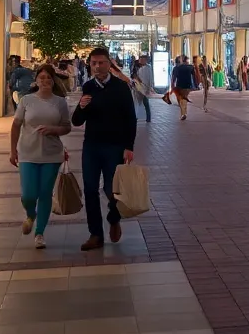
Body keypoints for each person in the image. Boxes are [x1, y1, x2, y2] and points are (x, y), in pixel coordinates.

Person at [72, 47, 137, 251]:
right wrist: (81, 106)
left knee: (112, 190)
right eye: (93, 63)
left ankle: (114, 217)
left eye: (101, 62)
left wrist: (129, 147)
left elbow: (130, 119)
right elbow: (76, 121)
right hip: (91, 146)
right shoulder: (89, 87)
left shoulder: (121, 87)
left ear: (110, 64)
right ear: (89, 65)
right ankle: (95, 234)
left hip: (115, 147)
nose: (97, 66)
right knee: (90, 189)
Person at [9, 65, 72, 249]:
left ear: (54, 81)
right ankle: (31, 214)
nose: (45, 81)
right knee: (28, 194)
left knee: (45, 193)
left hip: (51, 154)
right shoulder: (26, 100)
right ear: (36, 80)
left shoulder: (60, 102)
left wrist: (55, 130)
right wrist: (13, 151)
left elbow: (67, 127)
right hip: (27, 153)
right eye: (42, 77)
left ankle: (40, 233)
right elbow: (16, 125)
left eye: (49, 78)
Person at [171, 55, 195, 120]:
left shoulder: (176, 68)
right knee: (184, 99)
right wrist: (195, 85)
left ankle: (183, 114)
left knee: (181, 100)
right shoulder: (190, 67)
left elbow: (173, 78)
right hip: (188, 85)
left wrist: (172, 85)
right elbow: (194, 76)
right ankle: (184, 113)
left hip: (180, 85)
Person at [132, 56, 153, 123]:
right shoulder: (138, 67)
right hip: (139, 88)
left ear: (145, 60)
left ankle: (147, 117)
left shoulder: (147, 68)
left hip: (143, 88)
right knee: (138, 102)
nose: (140, 61)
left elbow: (149, 78)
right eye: (140, 60)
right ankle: (138, 117)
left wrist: (149, 87)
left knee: (143, 103)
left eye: (142, 60)